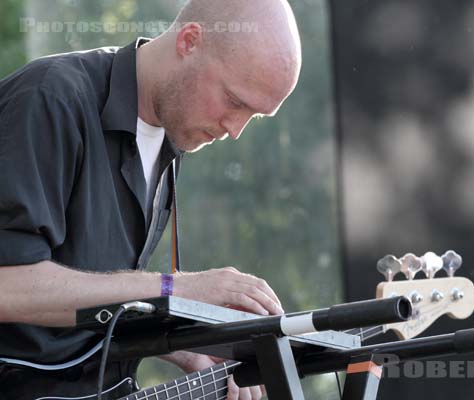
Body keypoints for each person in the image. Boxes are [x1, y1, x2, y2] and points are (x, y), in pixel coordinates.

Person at [0, 0, 301, 398]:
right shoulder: (51, 97)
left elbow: (93, 302)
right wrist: (172, 290)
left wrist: (179, 346)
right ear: (190, 41)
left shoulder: (169, 138)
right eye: (235, 101)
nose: (235, 130)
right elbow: (8, 285)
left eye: (255, 116)